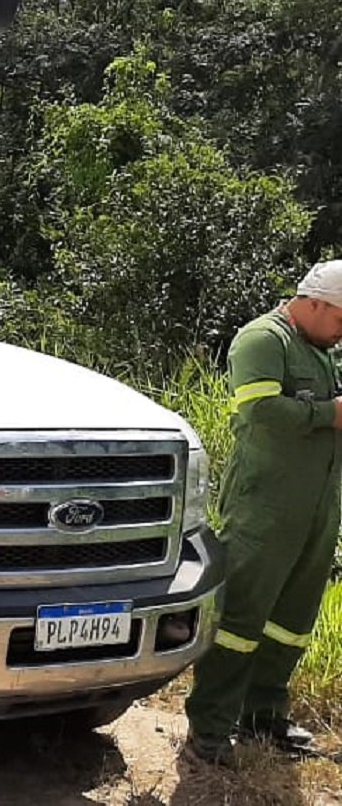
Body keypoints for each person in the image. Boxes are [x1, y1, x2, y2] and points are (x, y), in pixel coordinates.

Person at [184, 261, 342, 765]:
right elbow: (260, 412)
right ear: (316, 302)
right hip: (263, 510)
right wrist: (329, 413)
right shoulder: (262, 340)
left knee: (291, 622)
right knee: (240, 620)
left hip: (316, 511)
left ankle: (263, 717)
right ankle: (209, 728)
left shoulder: (320, 351)